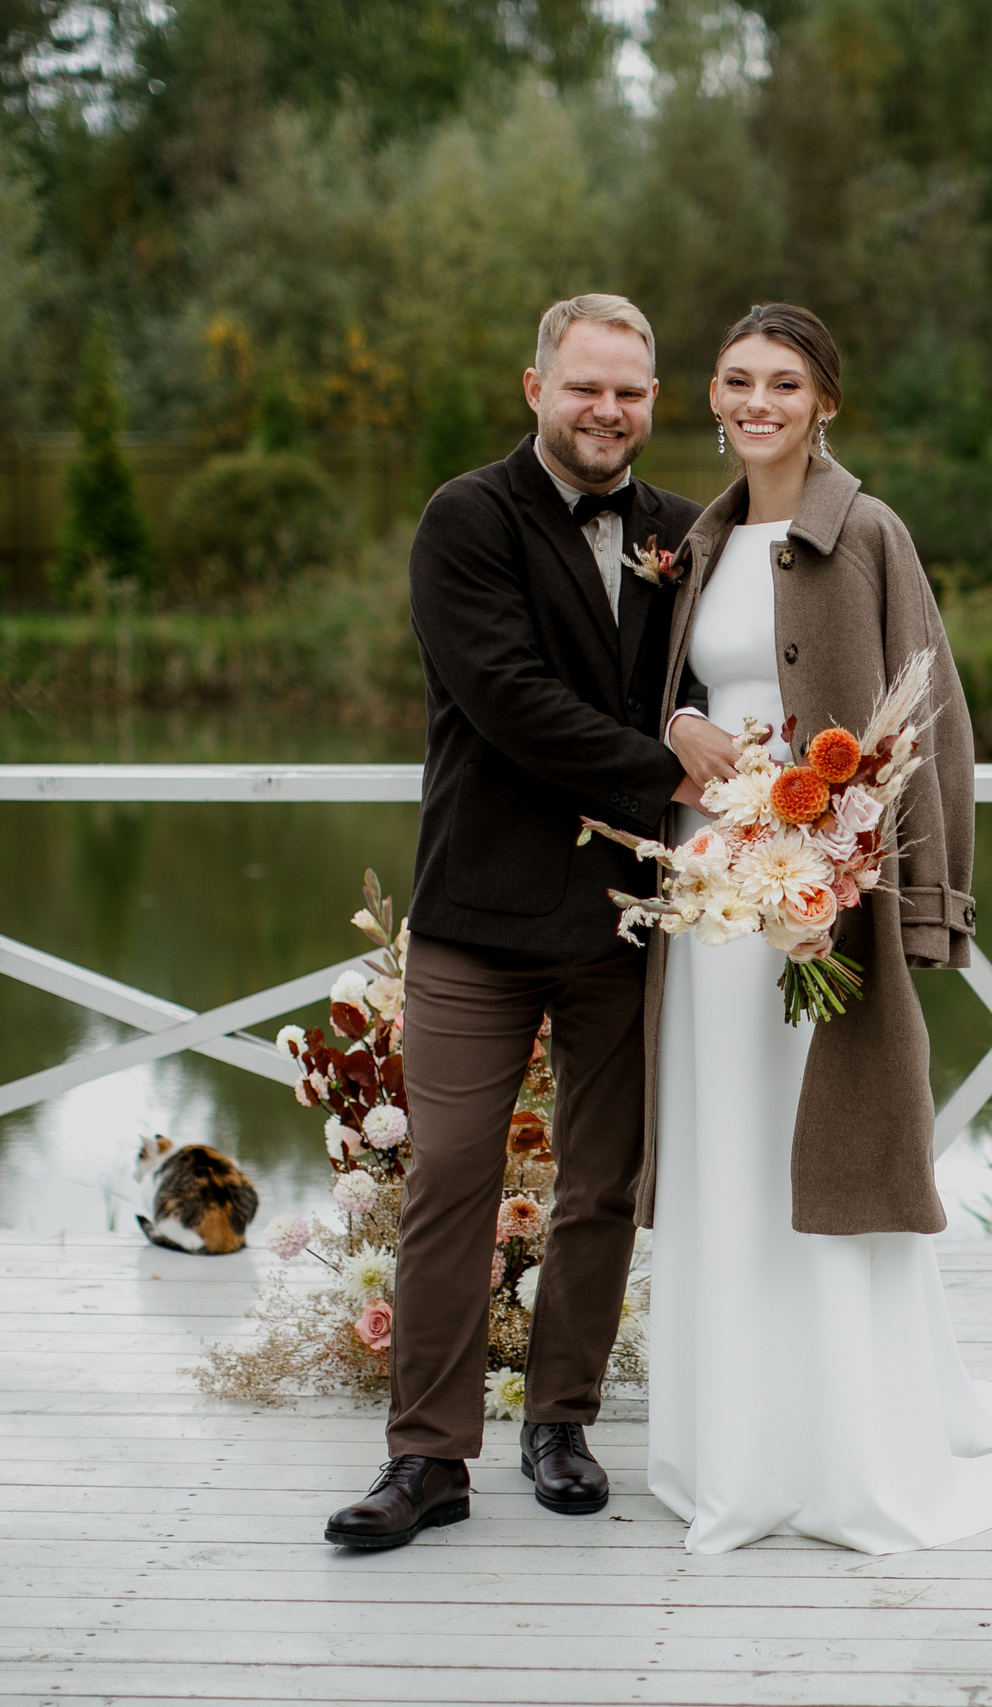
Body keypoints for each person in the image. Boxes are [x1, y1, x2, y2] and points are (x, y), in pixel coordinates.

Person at [642, 303, 992, 1555]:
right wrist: (670, 734)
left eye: (783, 383)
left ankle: (845, 1451)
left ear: (826, 403)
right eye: (734, 381)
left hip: (826, 901)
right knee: (726, 1159)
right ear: (711, 399)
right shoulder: (693, 542)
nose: (754, 402)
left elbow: (935, 726)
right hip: (714, 901)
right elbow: (670, 705)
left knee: (822, 1161)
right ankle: (737, 1449)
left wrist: (919, 900)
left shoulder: (866, 532)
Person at [325, 294, 708, 1549]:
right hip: (477, 919)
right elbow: (510, 701)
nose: (609, 412)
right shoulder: (465, 518)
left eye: (632, 393)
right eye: (586, 386)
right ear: (534, 387)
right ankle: (427, 1459)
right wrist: (674, 767)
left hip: (622, 923)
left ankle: (562, 1423)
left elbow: (723, 681)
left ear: (656, 401)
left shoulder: (683, 535)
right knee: (450, 1181)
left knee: (603, 1185)